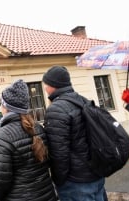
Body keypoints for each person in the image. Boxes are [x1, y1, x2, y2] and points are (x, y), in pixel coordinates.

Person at [42, 65, 108, 201]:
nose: (44, 87)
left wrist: (59, 181)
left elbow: (59, 153)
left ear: (53, 85)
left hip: (76, 183)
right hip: (95, 175)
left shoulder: (56, 109)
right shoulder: (83, 100)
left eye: (45, 83)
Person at [0, 79, 58, 201]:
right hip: (47, 195)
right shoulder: (38, 128)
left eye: (1, 104)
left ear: (6, 107)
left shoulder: (2, 135)